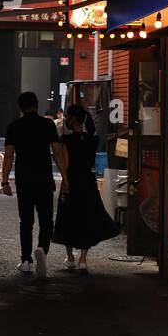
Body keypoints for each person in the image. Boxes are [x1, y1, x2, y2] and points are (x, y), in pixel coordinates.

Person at [0, 90, 68, 277]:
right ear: (37, 104)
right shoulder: (47, 124)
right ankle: (42, 251)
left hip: (24, 180)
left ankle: (26, 260)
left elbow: (8, 156)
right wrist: (65, 177)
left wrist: (4, 181)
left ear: (20, 107)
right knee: (46, 220)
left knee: (26, 221)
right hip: (44, 179)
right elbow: (57, 151)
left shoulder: (14, 126)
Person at [53, 103, 119, 271]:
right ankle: (83, 259)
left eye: (68, 115)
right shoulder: (93, 140)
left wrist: (65, 182)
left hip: (72, 181)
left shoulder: (66, 140)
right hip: (88, 182)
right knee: (86, 217)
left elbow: (65, 164)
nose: (66, 118)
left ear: (73, 118)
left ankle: (70, 258)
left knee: (68, 218)